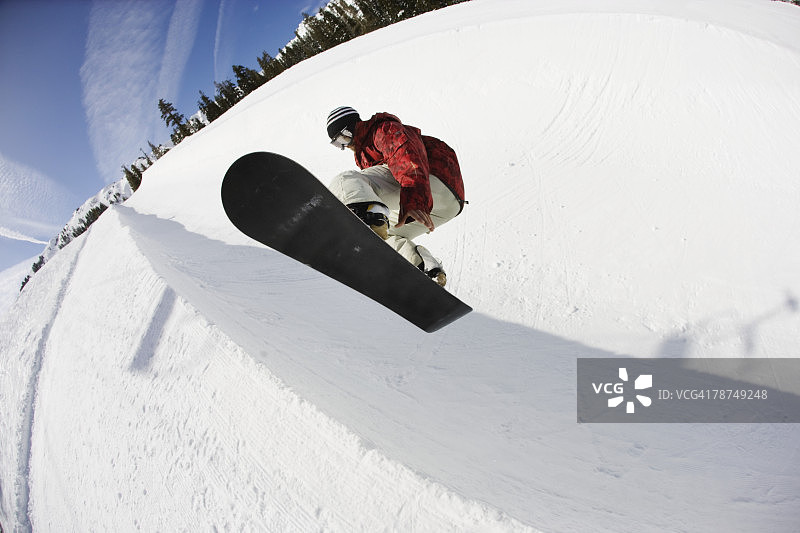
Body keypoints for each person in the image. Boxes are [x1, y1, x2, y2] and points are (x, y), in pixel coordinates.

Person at [326, 106, 465, 287]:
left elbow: (407, 157)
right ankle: (425, 268)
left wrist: (414, 198)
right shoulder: (366, 153)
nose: (345, 146)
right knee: (384, 237)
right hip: (447, 205)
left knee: (346, 180)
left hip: (430, 181)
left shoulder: (383, 130)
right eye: (338, 144)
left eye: (344, 138)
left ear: (354, 126)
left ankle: (364, 217)